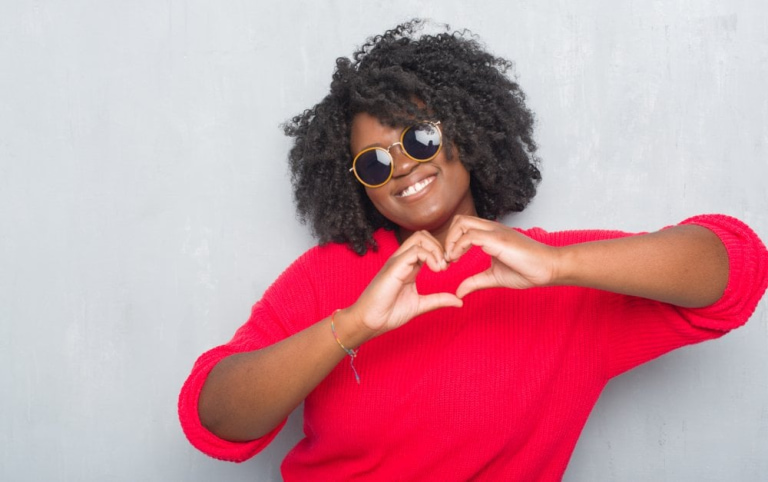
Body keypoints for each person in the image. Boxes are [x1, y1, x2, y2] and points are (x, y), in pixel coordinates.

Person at [178, 20, 768, 481]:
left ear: (464, 126)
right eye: (375, 162)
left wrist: (562, 266)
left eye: (419, 136)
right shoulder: (327, 277)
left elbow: (737, 267)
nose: (402, 165)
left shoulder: (549, 275)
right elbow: (214, 420)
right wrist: (351, 328)